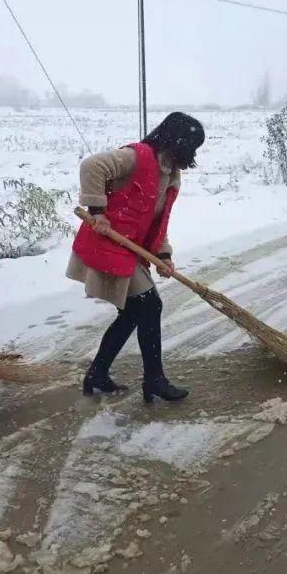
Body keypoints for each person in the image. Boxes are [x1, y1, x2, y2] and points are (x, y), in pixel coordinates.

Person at [67, 112, 205, 403]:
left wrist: (164, 255)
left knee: (132, 314)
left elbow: (158, 221)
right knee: (150, 305)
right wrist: (97, 212)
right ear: (177, 141)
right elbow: (92, 166)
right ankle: (154, 380)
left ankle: (97, 373)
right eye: (191, 147)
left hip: (130, 250)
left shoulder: (172, 175)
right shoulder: (137, 157)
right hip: (107, 242)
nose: (191, 155)